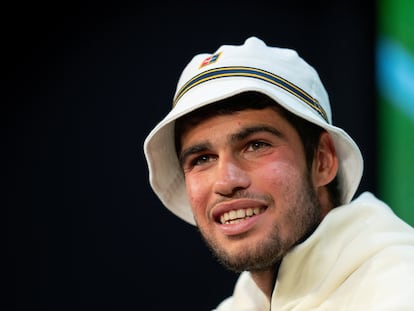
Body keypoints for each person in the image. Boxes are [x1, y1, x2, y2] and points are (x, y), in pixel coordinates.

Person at [143, 37, 414, 310]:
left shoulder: (400, 285)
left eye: (256, 145)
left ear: (322, 160)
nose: (225, 181)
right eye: (202, 159)